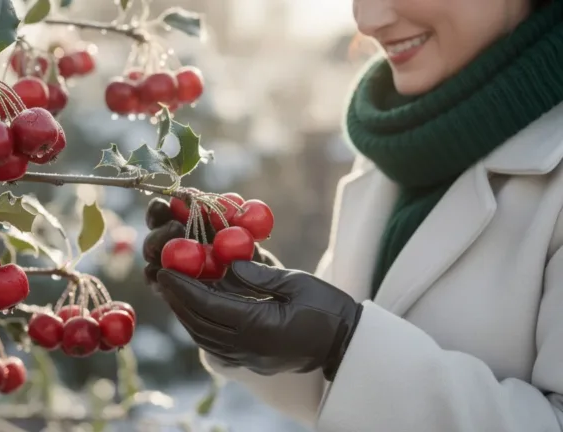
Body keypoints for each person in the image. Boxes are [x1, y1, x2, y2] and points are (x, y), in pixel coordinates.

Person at [142, 0, 563, 430]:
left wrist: (345, 345)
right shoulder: (400, 146)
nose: (367, 20)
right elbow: (343, 404)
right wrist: (257, 315)